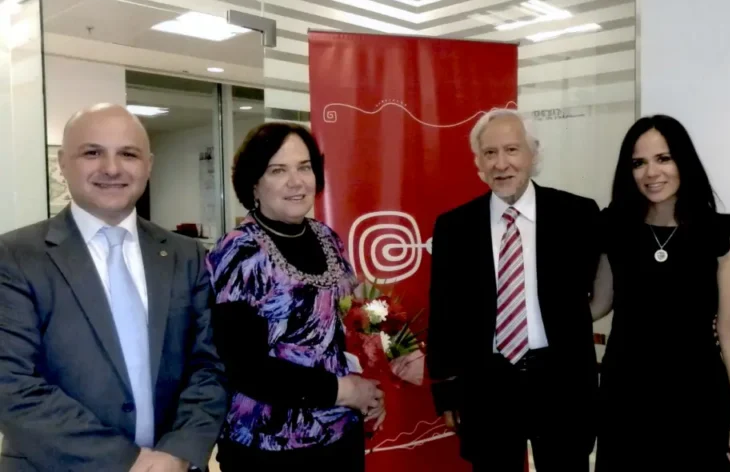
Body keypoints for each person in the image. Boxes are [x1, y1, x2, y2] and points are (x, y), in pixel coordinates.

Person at [0, 104, 228, 471]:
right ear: (62, 163)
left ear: (148, 164)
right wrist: (127, 461)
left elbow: (208, 366)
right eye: (92, 152)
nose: (112, 168)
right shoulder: (14, 256)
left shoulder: (185, 254)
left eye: (128, 154)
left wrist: (180, 451)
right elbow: (10, 384)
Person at [427, 109, 600, 472]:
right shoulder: (453, 227)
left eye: (512, 150)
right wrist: (445, 393)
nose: (501, 164)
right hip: (487, 387)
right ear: (479, 162)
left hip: (561, 385)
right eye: (490, 153)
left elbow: (594, 292)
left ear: (533, 155)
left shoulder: (578, 216)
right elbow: (444, 313)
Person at [206, 122, 385, 471]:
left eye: (304, 167)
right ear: (254, 183)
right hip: (268, 446)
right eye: (278, 170)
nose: (296, 181)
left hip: (339, 435)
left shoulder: (326, 237)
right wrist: (345, 391)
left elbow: (352, 316)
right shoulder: (239, 251)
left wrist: (374, 384)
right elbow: (245, 367)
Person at [591, 114, 730, 471]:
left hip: (698, 398)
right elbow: (599, 304)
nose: (652, 173)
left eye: (663, 158)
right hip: (626, 397)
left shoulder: (722, 236)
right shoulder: (614, 229)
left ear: (684, 161)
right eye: (639, 163)